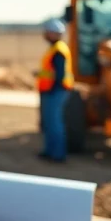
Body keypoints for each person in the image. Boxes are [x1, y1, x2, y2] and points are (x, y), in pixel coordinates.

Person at [37, 18, 74, 162]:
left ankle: (58, 154)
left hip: (56, 91)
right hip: (50, 90)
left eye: (47, 32)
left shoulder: (59, 50)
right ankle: (49, 151)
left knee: (54, 123)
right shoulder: (55, 48)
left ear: (53, 33)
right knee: (49, 122)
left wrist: (52, 89)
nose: (45, 34)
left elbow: (59, 74)